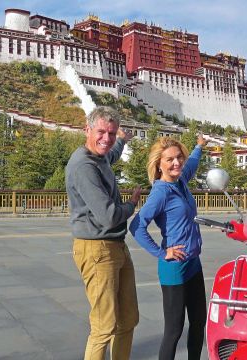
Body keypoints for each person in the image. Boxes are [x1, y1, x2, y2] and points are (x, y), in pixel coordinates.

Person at [65, 106, 142, 360]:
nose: (106, 139)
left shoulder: (101, 156)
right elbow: (108, 216)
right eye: (101, 132)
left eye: (111, 133)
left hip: (116, 246)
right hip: (97, 249)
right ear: (86, 130)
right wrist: (131, 204)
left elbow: (112, 154)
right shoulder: (84, 166)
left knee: (128, 319)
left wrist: (122, 140)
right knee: (104, 326)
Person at [129, 135, 208, 360]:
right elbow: (136, 226)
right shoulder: (161, 192)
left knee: (198, 322)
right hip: (174, 267)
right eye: (170, 159)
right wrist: (162, 253)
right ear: (158, 164)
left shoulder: (181, 180)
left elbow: (191, 163)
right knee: (173, 330)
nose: (177, 163)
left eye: (179, 157)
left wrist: (199, 146)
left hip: (193, 263)